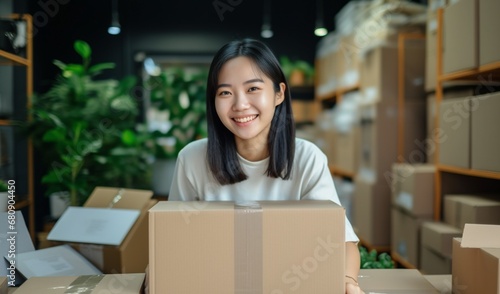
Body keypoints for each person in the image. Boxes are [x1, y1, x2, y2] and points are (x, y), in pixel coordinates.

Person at [168, 38, 364, 294]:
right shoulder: (192, 159)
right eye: (225, 92)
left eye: (252, 89)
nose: (239, 105)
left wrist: (348, 281)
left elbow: (340, 240)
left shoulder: (306, 158)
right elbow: (171, 238)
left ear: (279, 93)